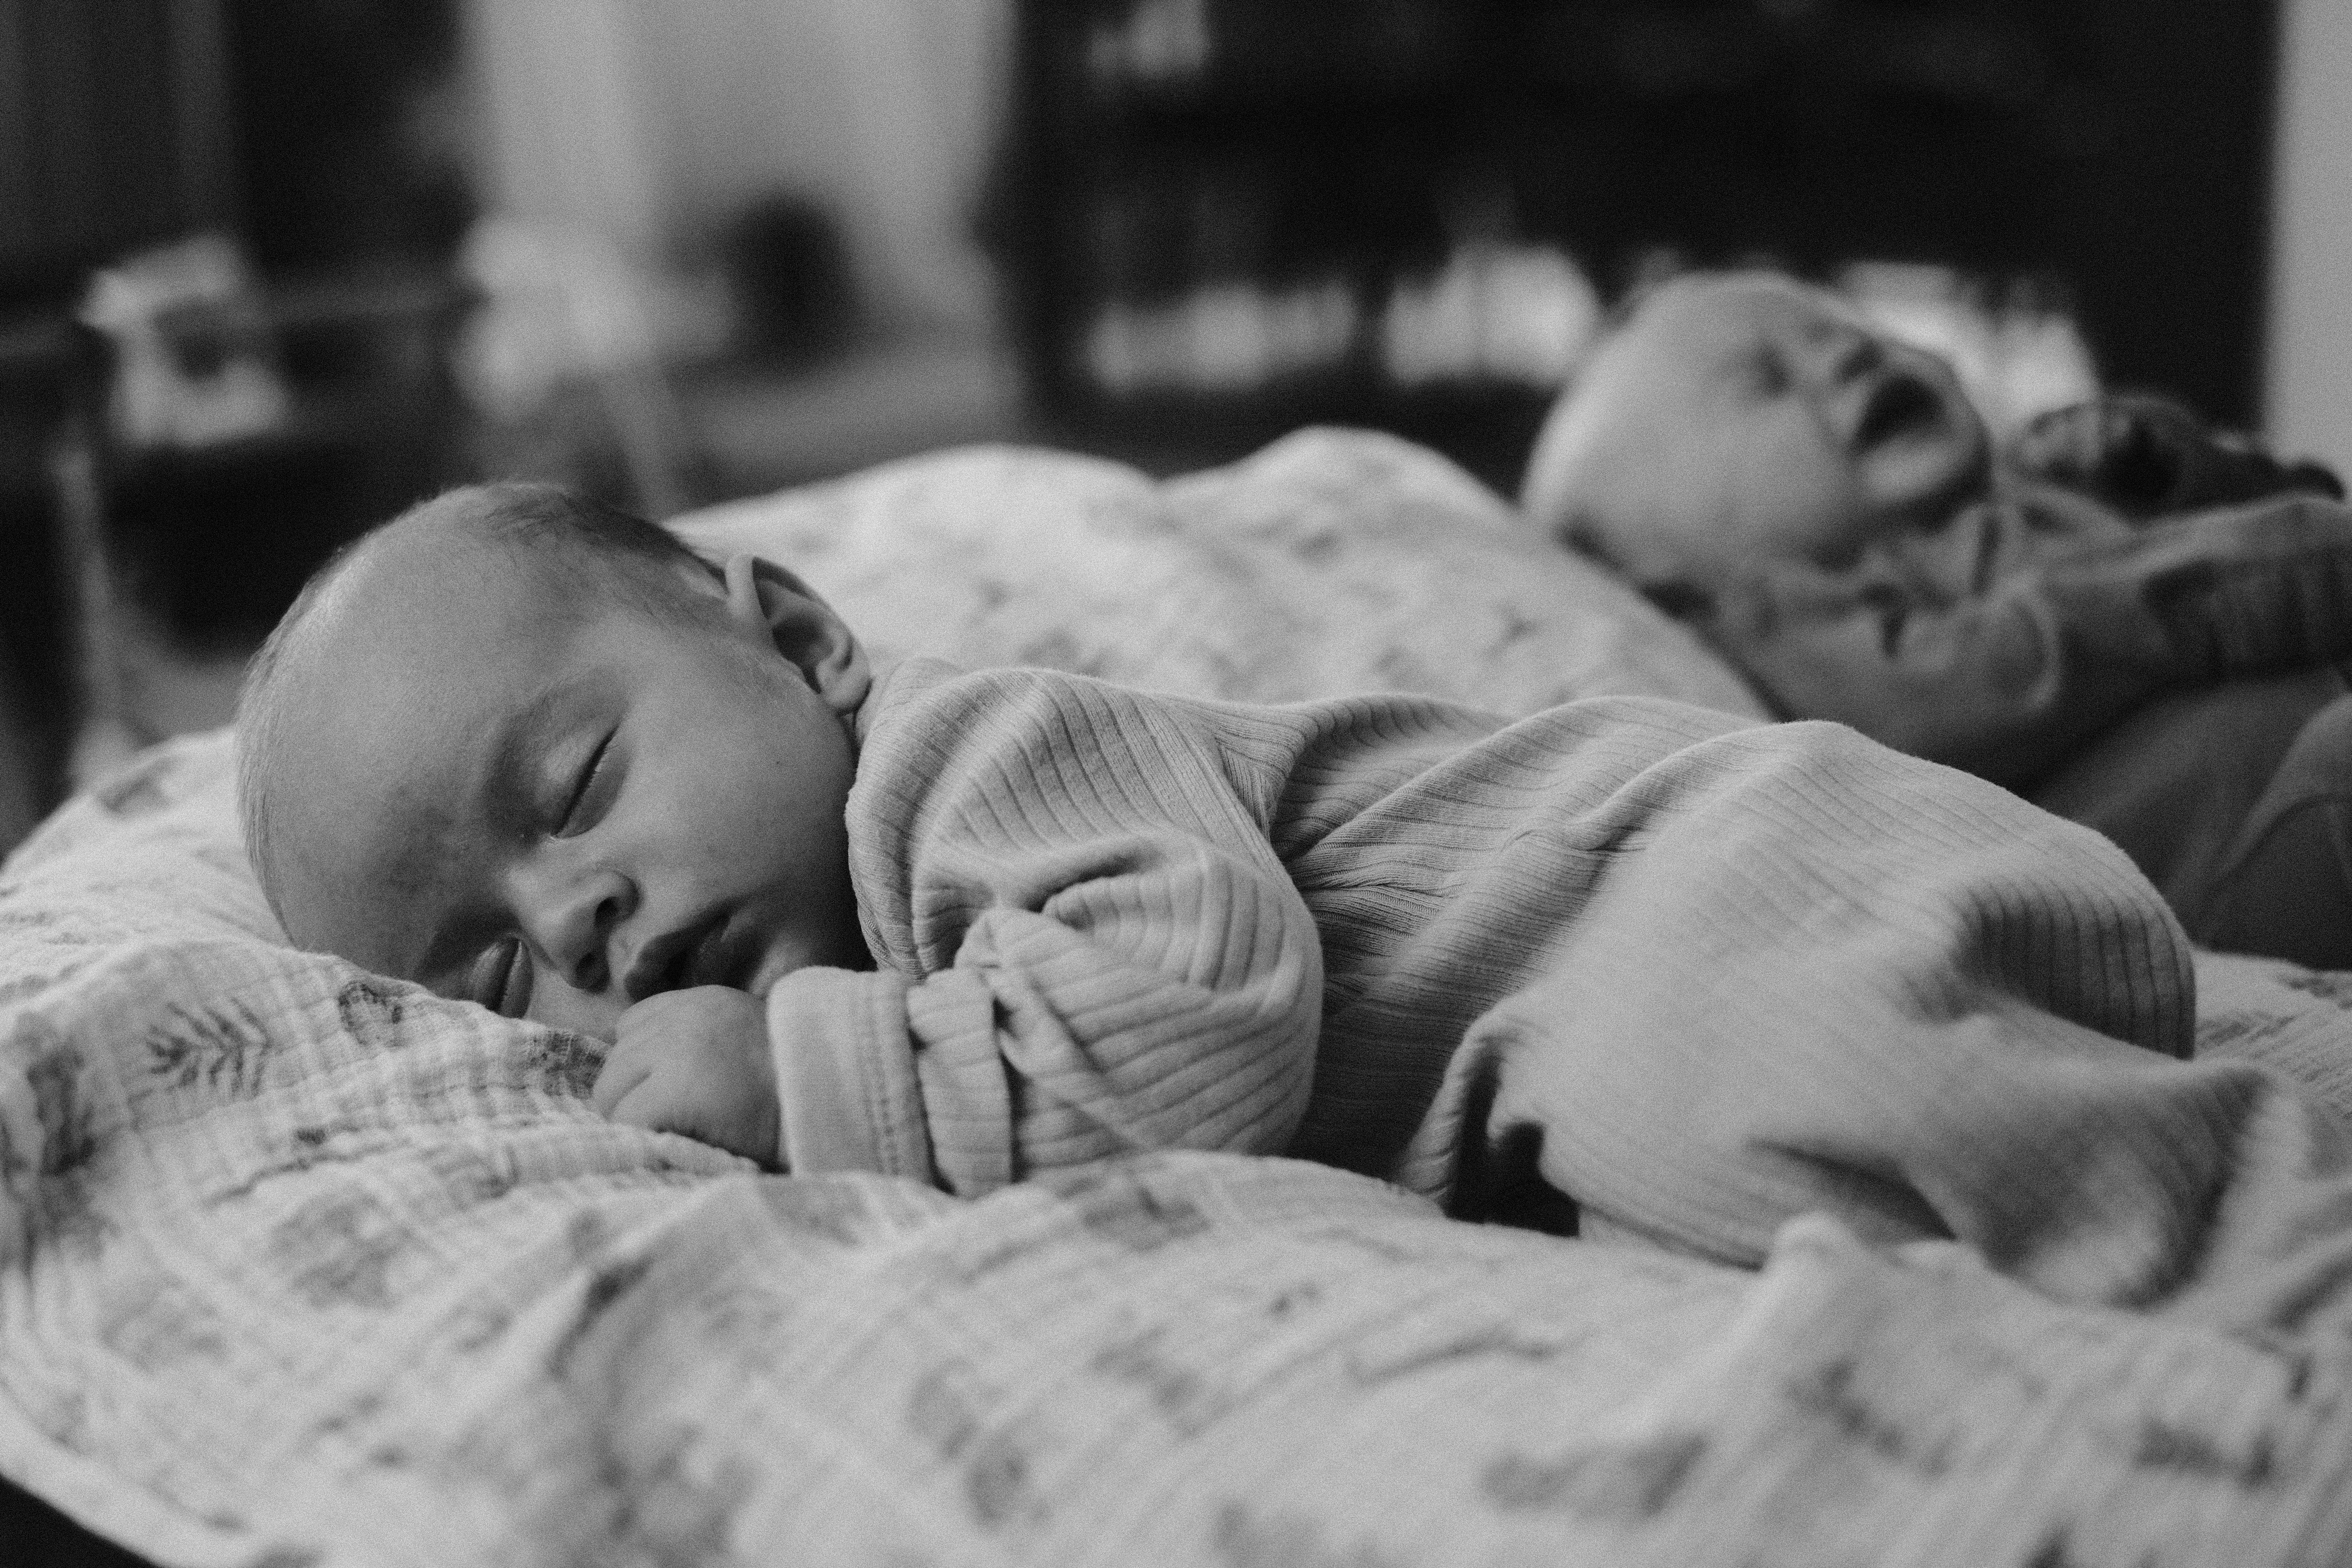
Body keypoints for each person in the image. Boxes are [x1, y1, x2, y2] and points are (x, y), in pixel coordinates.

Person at [233, 481, 2352, 1321]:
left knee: (1727, 1084)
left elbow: (1206, 1012)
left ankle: (2275, 1268)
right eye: (502, 964)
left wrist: (805, 1083)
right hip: (1696, 989)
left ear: (795, 637)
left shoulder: (970, 761)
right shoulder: (902, 909)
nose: (585, 921)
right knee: (1718, 1191)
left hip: (1727, 879)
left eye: (579, 785)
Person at [1519, 270, 2352, 967]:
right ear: (1674, 579)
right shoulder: (1791, 625)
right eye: (1766, 382)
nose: (1848, 351)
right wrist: (2256, 585)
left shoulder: (2049, 481)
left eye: (1852, 329)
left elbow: (2310, 504)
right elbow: (1987, 678)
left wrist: (2172, 468)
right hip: (2224, 885)